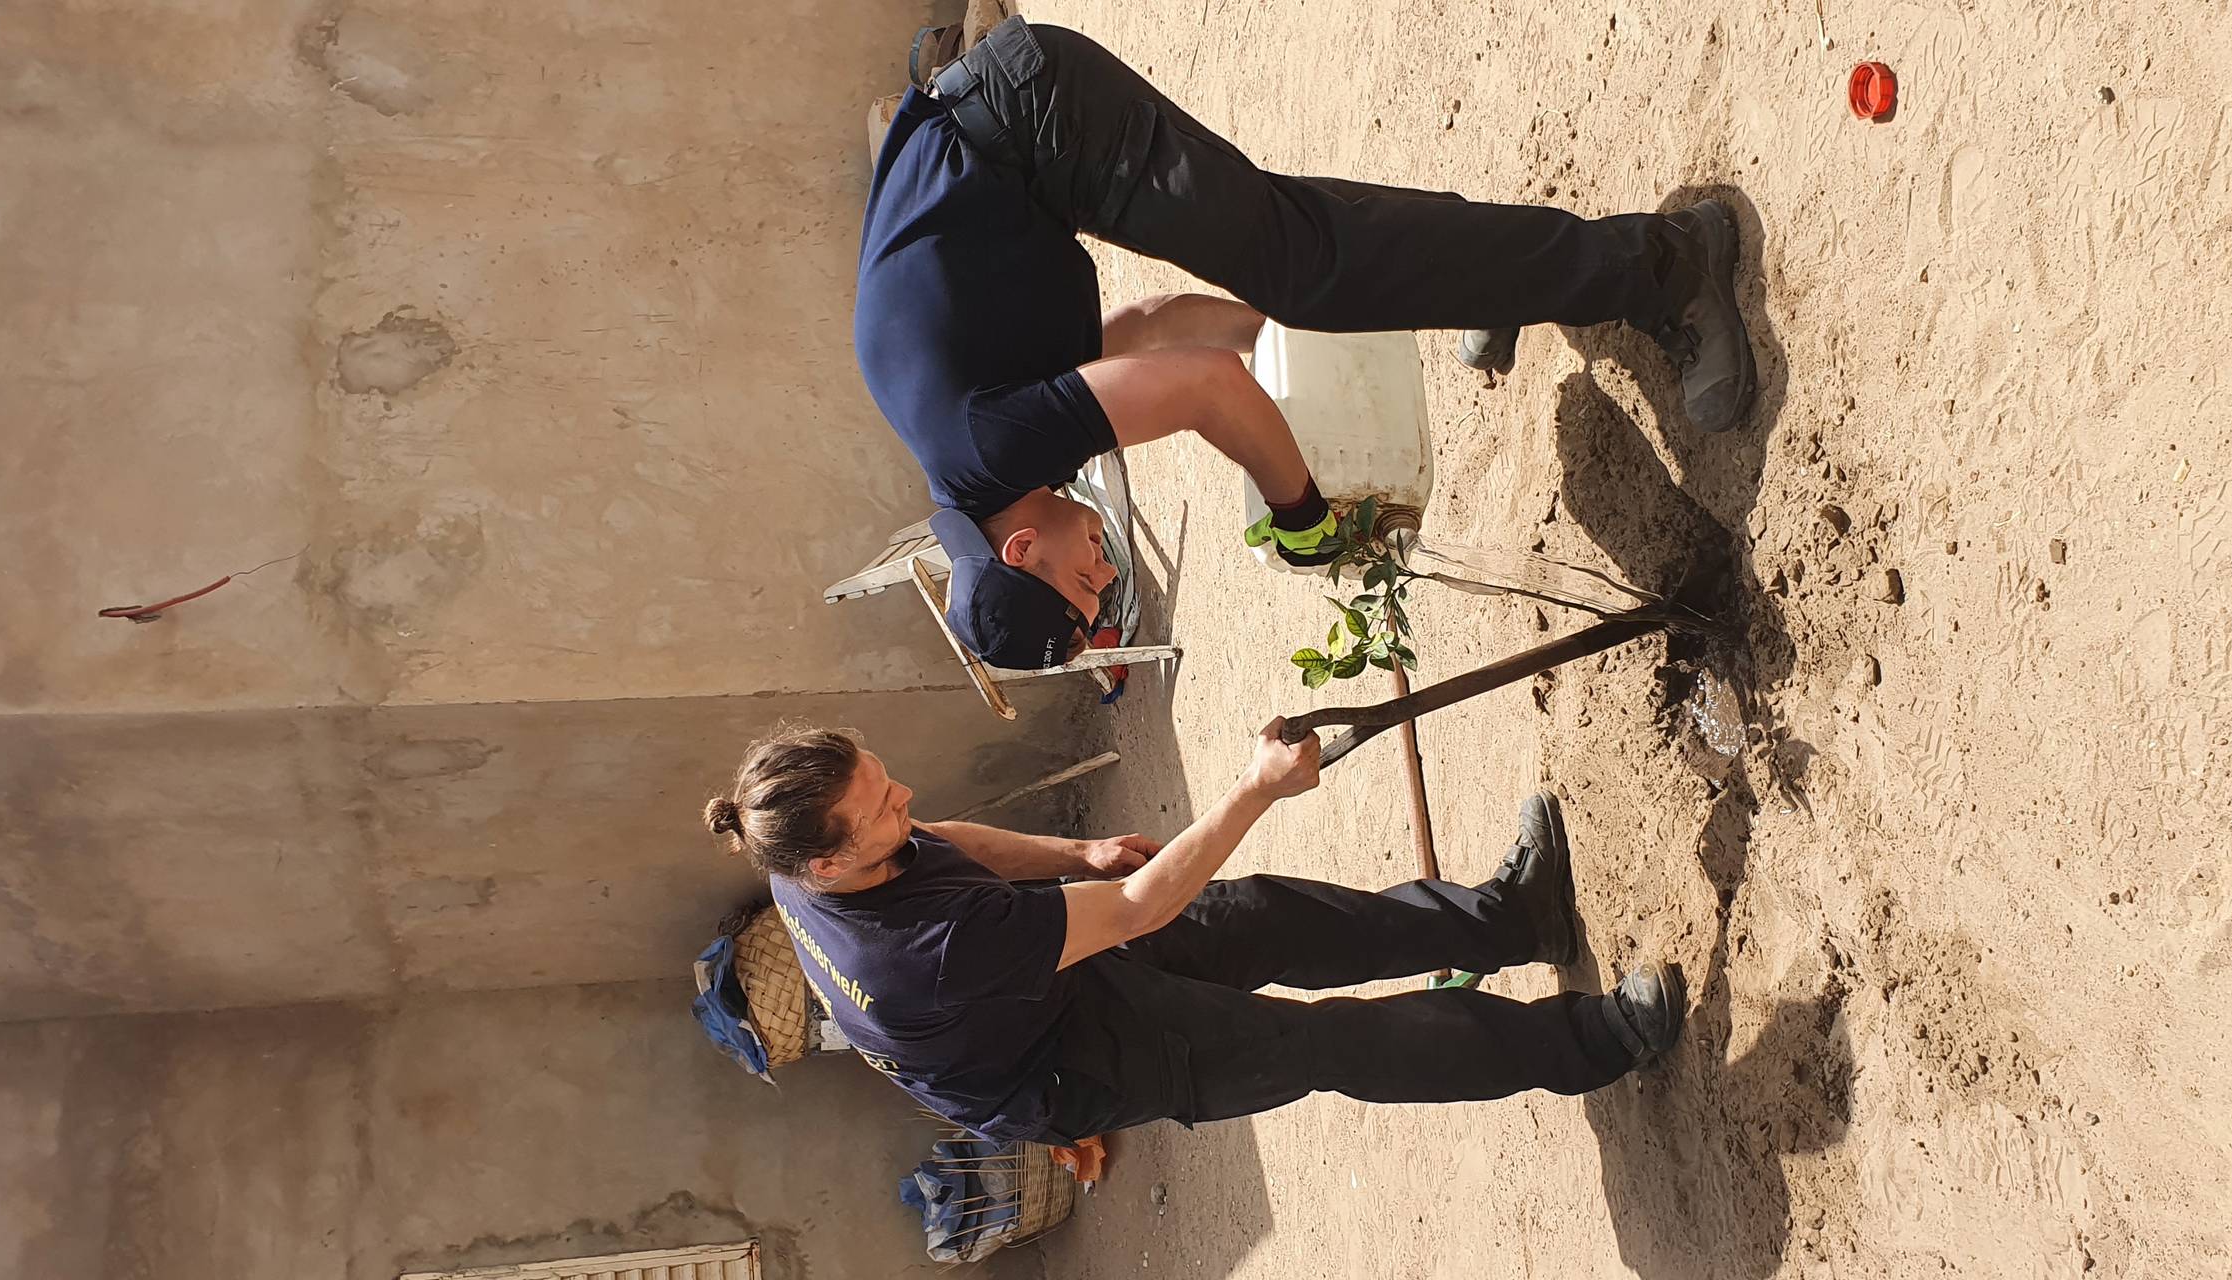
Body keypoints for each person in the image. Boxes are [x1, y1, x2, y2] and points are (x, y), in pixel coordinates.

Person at [858, 17, 1761, 669]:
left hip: (1038, 122)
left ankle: (1666, 265)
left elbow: (1209, 387)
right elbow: (1152, 327)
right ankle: (1500, 276)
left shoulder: (993, 449)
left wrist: (1303, 515)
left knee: (1313, 266)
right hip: (1012, 125)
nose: (1104, 576)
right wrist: (1311, 332)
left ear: (1021, 553)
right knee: (1312, 264)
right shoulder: (974, 447)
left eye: (1084, 588)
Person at [702, 722, 1687, 1145]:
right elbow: (1137, 910)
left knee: (1259, 915)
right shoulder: (924, 957)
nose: (901, 796)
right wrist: (1254, 786)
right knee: (1321, 1041)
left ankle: (1513, 917)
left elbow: (939, 837)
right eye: (877, 804)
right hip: (1068, 1061)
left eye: (880, 775)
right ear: (827, 862)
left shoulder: (796, 852)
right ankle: (1592, 1044)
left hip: (1028, 986)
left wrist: (1074, 846)